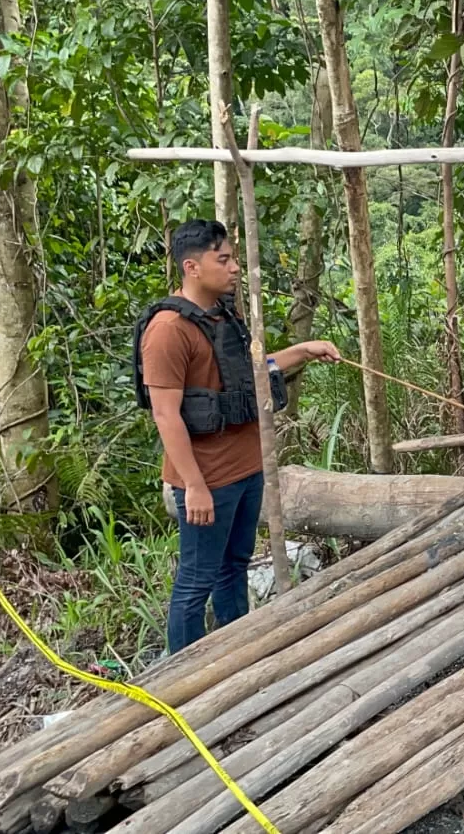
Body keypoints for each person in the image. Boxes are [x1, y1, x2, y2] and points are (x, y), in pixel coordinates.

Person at [132, 219, 342, 653]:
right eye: (222, 260)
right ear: (191, 266)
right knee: (196, 580)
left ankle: (236, 653)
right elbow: (166, 414)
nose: (233, 269)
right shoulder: (168, 330)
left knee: (234, 566)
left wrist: (303, 350)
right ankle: (184, 675)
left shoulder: (226, 315)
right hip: (208, 479)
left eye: (233, 259)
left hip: (247, 470)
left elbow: (248, 374)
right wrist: (194, 485)